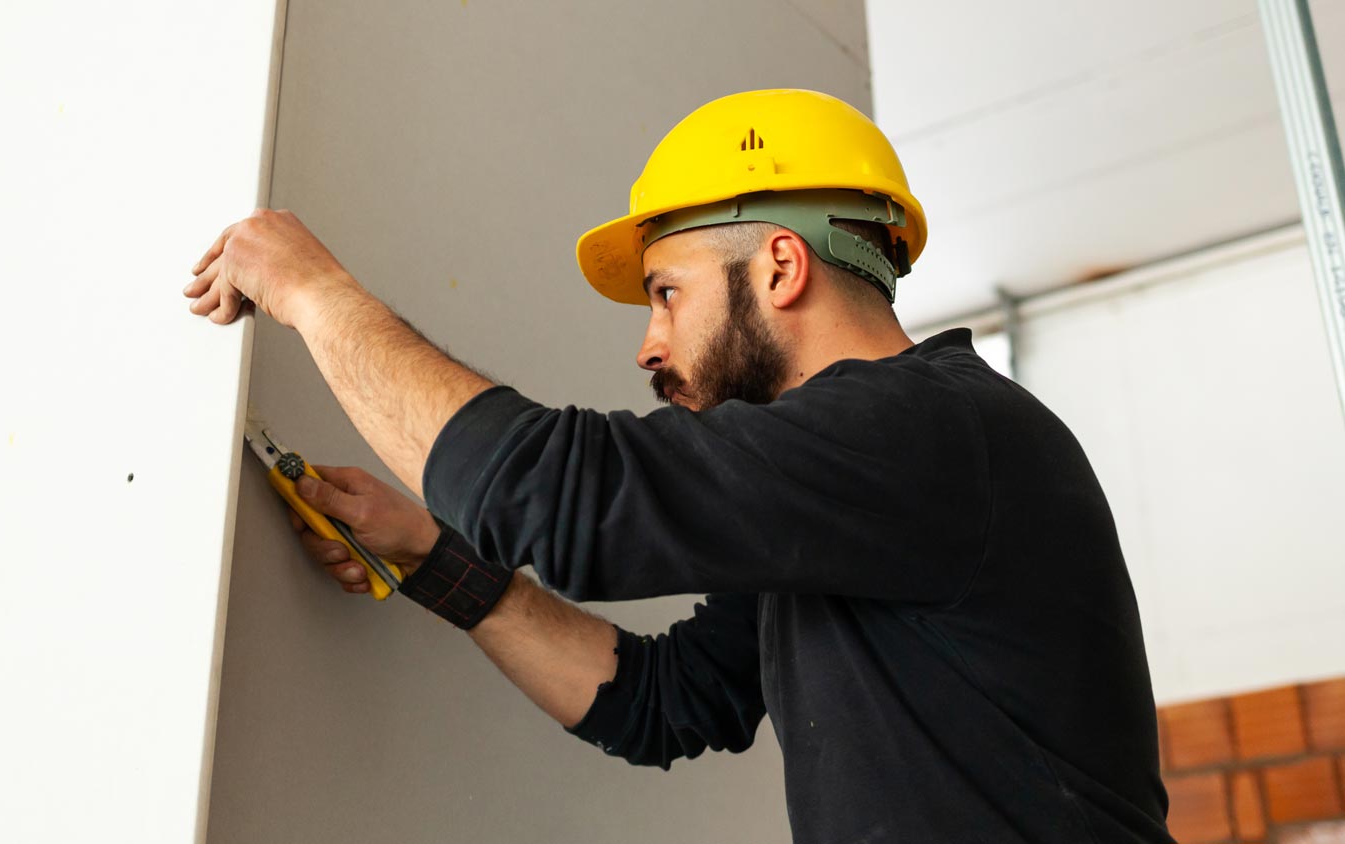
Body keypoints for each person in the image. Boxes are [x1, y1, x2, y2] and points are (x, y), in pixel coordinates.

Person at [183, 89, 1175, 843]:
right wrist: (437, 558)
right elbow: (666, 697)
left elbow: (552, 497)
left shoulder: (926, 429)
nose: (650, 345)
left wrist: (312, 292)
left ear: (782, 267)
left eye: (667, 292)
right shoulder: (859, 490)